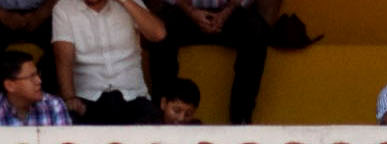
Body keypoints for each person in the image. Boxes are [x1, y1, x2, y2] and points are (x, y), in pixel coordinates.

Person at [147, 0, 280, 127]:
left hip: (228, 14)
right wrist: (191, 12)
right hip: (184, 11)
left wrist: (226, 13)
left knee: (256, 32)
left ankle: (241, 119)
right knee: (159, 32)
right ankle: (160, 115)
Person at [51, 0, 164, 124]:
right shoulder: (64, 7)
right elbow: (64, 59)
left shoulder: (132, 2)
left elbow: (158, 34)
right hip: (87, 98)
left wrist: (126, 2)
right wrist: (69, 97)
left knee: (154, 133)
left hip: (132, 95)